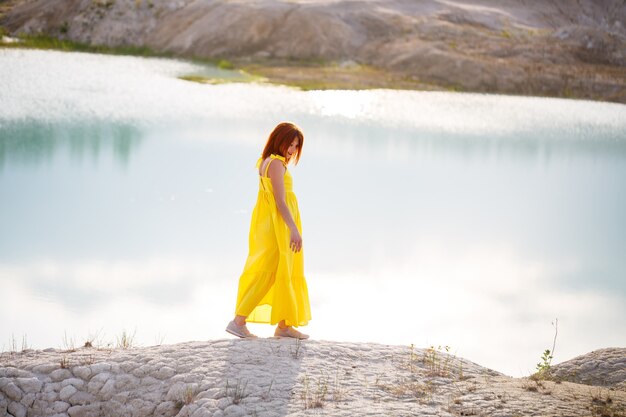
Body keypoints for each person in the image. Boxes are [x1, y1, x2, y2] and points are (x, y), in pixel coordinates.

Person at [226, 122, 311, 339]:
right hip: (278, 225)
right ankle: (239, 321)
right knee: (273, 272)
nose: (292, 150)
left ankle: (283, 326)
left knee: (282, 270)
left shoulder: (268, 161)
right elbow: (280, 201)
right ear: (278, 139)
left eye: (295, 146)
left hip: (271, 223)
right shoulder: (275, 164)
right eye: (289, 144)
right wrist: (293, 229)